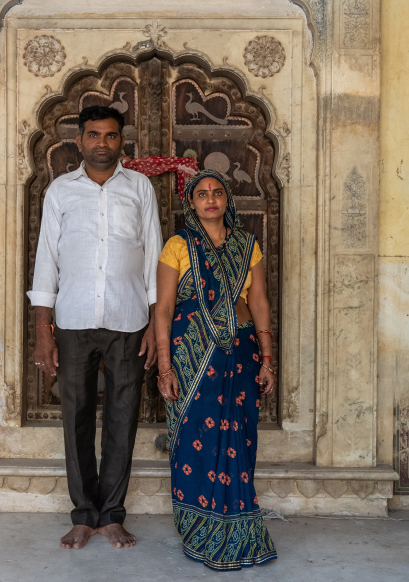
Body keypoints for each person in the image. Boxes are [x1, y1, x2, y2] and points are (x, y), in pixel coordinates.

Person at [28, 105, 163, 551]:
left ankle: (111, 516)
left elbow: (154, 258)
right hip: (73, 319)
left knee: (122, 420)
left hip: (129, 320)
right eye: (93, 135)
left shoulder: (139, 187)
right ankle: (84, 515)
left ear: (120, 140)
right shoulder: (60, 192)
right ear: (79, 141)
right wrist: (44, 328)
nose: (101, 143)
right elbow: (47, 258)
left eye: (109, 135)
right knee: (77, 418)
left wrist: (154, 324)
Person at [155, 169, 277, 570]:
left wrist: (267, 357)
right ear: (191, 203)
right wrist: (165, 368)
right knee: (196, 438)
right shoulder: (177, 246)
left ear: (228, 200)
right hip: (193, 357)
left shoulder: (248, 246)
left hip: (240, 354)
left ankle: (241, 527)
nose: (210, 199)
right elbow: (166, 309)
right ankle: (200, 529)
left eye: (218, 192)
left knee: (239, 437)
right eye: (202, 194)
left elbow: (258, 301)